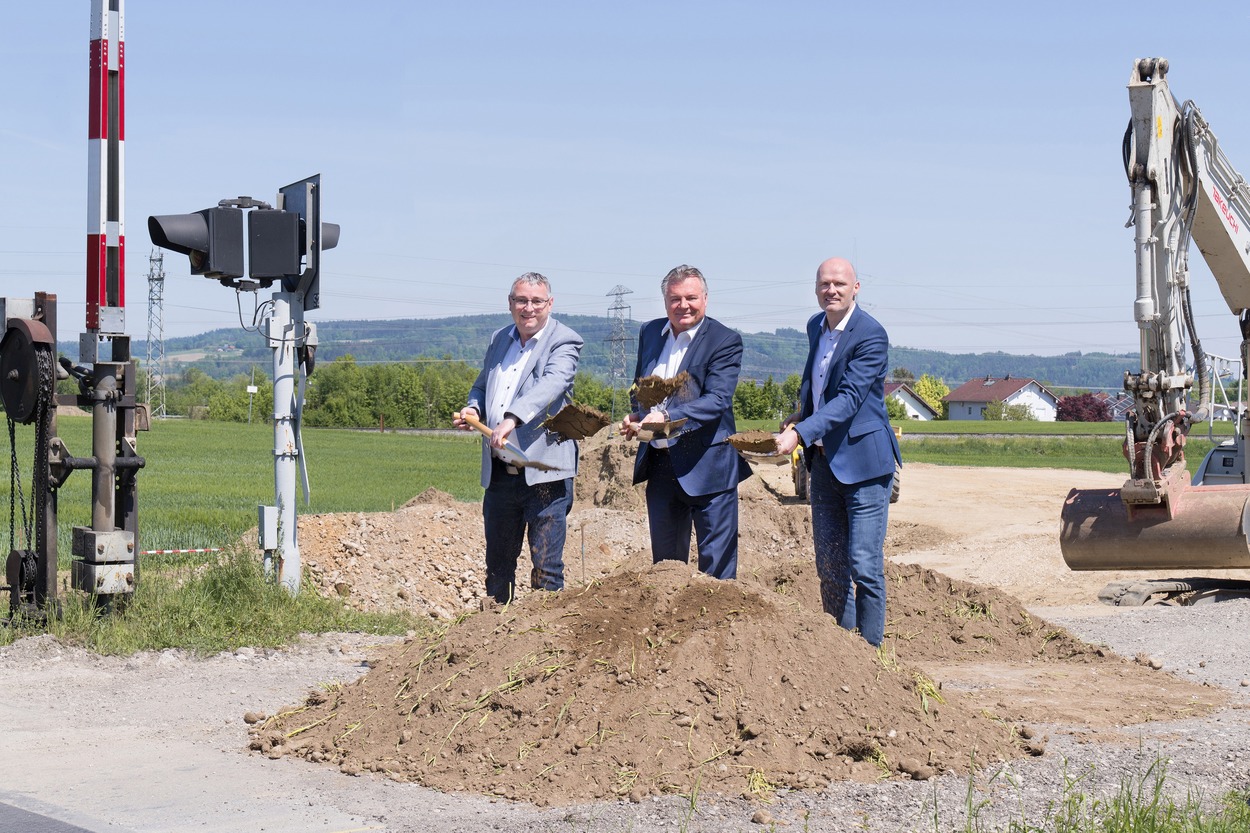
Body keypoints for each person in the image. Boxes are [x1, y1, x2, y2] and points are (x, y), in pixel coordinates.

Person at [774, 257, 901, 646]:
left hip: (865, 464)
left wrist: (801, 434)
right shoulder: (816, 326)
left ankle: (874, 659)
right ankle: (842, 651)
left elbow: (848, 399)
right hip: (824, 464)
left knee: (864, 566)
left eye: (840, 284)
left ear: (856, 288)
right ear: (815, 289)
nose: (831, 290)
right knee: (830, 566)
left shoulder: (871, 335)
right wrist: (801, 416)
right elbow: (820, 386)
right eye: (824, 284)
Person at [454, 273, 583, 605]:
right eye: (520, 300)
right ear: (510, 303)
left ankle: (543, 647)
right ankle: (495, 645)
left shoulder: (564, 341)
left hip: (544, 476)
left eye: (536, 301)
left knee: (546, 570)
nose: (528, 308)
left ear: (549, 304)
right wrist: (473, 408)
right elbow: (482, 385)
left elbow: (552, 385)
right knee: (498, 569)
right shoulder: (500, 338)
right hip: (501, 477)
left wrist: (512, 417)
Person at [620, 264, 752, 579]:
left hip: (708, 467)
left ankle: (717, 628)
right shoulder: (650, 332)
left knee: (717, 574)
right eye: (675, 299)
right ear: (665, 301)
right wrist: (639, 414)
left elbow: (717, 400)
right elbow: (643, 387)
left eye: (691, 297)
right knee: (666, 571)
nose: (683, 306)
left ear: (705, 299)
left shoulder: (723, 340)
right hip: (661, 465)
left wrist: (666, 416)